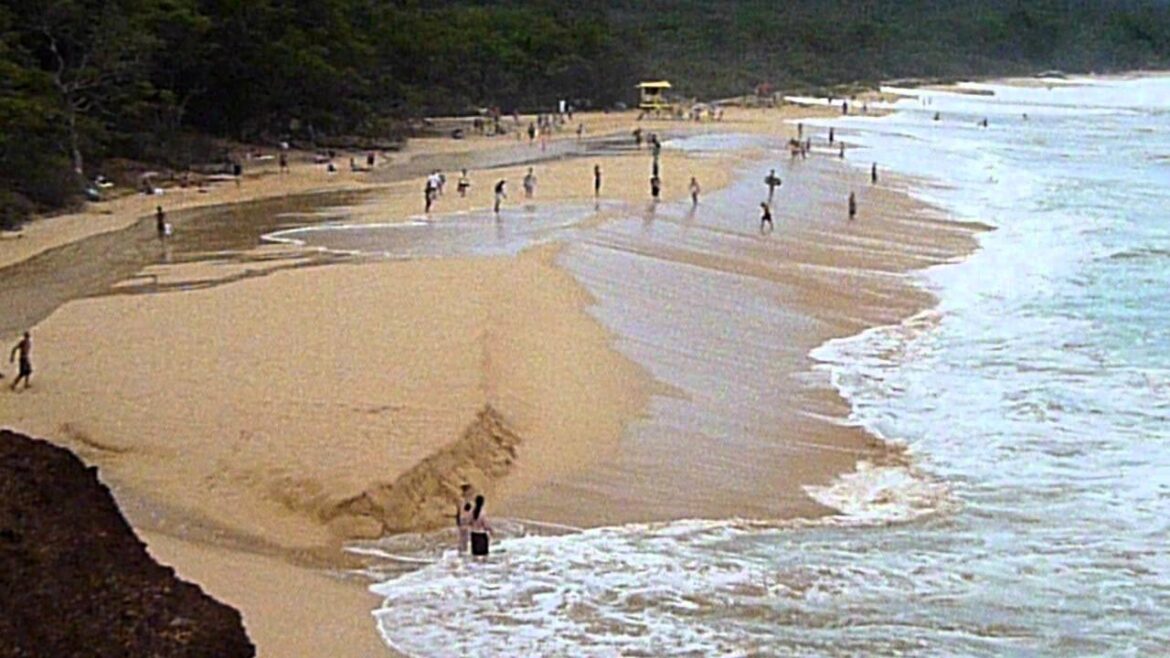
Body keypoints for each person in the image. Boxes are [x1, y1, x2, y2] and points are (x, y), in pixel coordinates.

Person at [455, 484, 475, 554]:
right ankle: (462, 552)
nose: (471, 492)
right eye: (469, 491)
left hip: (464, 521)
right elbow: (461, 512)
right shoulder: (462, 500)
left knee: (464, 539)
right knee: (463, 538)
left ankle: (462, 551)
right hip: (463, 521)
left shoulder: (465, 500)